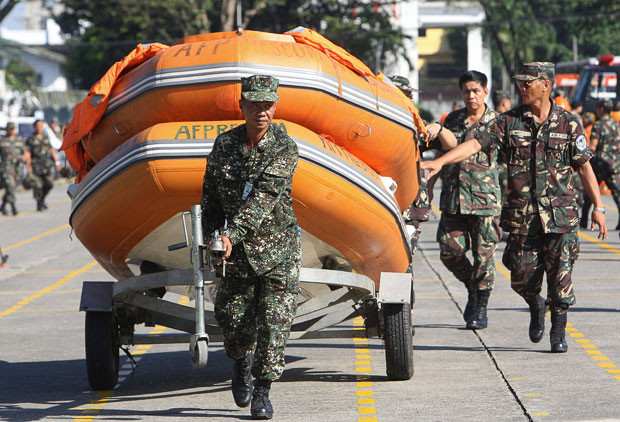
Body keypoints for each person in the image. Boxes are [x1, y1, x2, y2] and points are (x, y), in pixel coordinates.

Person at [422, 62, 607, 353]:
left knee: (561, 273)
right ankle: (535, 304)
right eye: (519, 83)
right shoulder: (508, 122)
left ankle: (558, 331)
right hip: (523, 217)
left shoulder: (568, 122)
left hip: (561, 215)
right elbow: (473, 145)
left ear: (545, 85)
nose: (521, 87)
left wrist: (598, 206)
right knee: (520, 275)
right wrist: (440, 161)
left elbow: (584, 167)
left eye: (527, 82)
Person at [201, 75, 300, 420]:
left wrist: (231, 234)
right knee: (231, 317)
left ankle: (263, 392)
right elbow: (211, 197)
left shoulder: (284, 148)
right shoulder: (224, 145)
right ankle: (241, 361)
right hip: (236, 255)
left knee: (275, 324)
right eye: (255, 104)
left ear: (276, 106)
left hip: (278, 252)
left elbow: (263, 200)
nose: (262, 111)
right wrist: (212, 242)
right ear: (241, 105)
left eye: (268, 104)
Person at [436, 70, 502, 330]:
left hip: (485, 202)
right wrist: (428, 189)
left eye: (476, 90)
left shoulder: (498, 121)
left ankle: (480, 307)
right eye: (466, 91)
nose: (471, 95)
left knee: (484, 257)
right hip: (454, 198)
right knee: (448, 251)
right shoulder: (452, 120)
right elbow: (441, 155)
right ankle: (472, 288)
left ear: (485, 91)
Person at [389, 75, 457, 256]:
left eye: (411, 95)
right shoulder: (376, 122)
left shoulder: (415, 126)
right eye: (406, 95)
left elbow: (450, 144)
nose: (411, 99)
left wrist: (438, 128)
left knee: (403, 259)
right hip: (383, 199)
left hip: (409, 203)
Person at [581, 98, 620, 230]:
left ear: (601, 108)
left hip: (599, 165)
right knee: (617, 194)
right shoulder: (616, 124)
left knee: (589, 193)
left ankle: (583, 221)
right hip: (613, 165)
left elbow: (593, 146)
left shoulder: (598, 125)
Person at [25, 120, 60, 211]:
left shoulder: (45, 138)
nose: (40, 127)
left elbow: (51, 150)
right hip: (35, 167)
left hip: (46, 166)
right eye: (38, 126)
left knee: (49, 184)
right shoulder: (30, 139)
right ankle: (39, 203)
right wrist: (28, 166)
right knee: (38, 186)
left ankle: (42, 199)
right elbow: (27, 153)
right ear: (34, 127)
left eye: (42, 125)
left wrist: (57, 162)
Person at [0, 123, 26, 216]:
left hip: (17, 168)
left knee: (12, 188)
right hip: (6, 168)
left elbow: (25, 152)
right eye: (9, 129)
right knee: (10, 187)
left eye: (12, 129)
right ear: (6, 129)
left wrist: (26, 160)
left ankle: (2, 205)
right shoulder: (2, 140)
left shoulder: (19, 140)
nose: (11, 131)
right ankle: (13, 206)